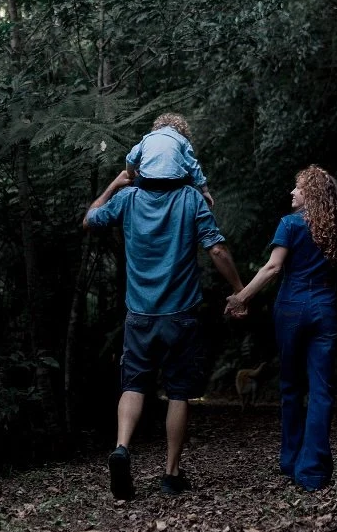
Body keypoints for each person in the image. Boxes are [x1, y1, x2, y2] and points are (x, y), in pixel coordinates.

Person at [83, 169, 244, 499]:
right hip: (180, 315)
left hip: (139, 315)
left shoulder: (128, 198)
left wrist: (115, 183)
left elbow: (90, 218)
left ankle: (122, 448)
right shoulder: (190, 199)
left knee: (133, 385)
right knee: (178, 392)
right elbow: (216, 250)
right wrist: (239, 289)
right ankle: (171, 474)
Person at [224, 165, 337, 491]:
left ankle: (290, 461)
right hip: (325, 311)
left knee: (290, 387)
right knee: (321, 391)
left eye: (298, 188)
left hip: (290, 310)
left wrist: (240, 298)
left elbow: (273, 268)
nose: (292, 192)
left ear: (310, 193)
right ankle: (313, 472)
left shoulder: (289, 225)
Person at [124, 113, 215, 210]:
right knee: (189, 180)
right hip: (173, 183)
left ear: (157, 126)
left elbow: (131, 159)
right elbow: (193, 166)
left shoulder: (147, 137)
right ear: (182, 130)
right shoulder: (182, 140)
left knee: (137, 182)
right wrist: (205, 191)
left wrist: (131, 175)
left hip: (148, 182)